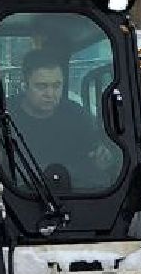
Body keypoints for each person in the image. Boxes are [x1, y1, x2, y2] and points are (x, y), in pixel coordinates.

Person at [9, 50, 118, 188]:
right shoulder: (5, 115)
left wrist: (103, 159)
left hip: (75, 195)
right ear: (24, 84)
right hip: (20, 195)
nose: (50, 94)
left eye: (56, 85)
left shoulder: (77, 115)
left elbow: (96, 158)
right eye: (41, 86)